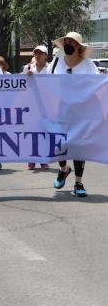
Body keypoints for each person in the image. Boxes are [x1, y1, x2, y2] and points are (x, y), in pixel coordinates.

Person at [48, 32, 98, 197]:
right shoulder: (55, 63)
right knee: (59, 144)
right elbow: (43, 82)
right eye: (66, 41)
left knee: (78, 147)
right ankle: (63, 170)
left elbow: (97, 86)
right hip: (59, 110)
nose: (68, 43)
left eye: (72, 42)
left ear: (78, 46)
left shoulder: (88, 65)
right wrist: (30, 77)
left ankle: (78, 182)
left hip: (80, 112)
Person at [22, 46, 50, 170]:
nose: (38, 55)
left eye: (40, 53)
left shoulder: (51, 68)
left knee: (44, 133)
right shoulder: (27, 68)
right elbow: (19, 85)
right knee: (32, 133)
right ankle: (31, 159)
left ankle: (43, 159)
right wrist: (26, 78)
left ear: (46, 55)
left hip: (47, 104)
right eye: (36, 53)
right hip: (31, 105)